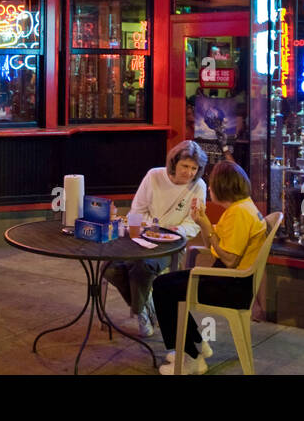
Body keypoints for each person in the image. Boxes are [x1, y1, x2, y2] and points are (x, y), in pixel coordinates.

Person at [152, 160, 268, 375]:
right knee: (165, 283)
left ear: (222, 187)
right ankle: (197, 343)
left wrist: (207, 228)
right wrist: (204, 222)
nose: (210, 187)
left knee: (163, 289)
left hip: (231, 287)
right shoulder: (242, 206)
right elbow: (213, 246)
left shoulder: (239, 214)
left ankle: (190, 357)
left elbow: (230, 260)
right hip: (227, 279)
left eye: (212, 184)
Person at [104, 140, 208, 337]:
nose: (189, 172)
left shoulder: (198, 186)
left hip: (172, 244)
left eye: (194, 168)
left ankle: (140, 312)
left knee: (142, 267)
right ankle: (144, 307)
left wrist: (175, 230)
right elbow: (138, 210)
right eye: (185, 166)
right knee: (109, 268)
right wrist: (152, 228)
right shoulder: (154, 176)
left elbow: (193, 224)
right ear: (174, 163)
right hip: (142, 237)